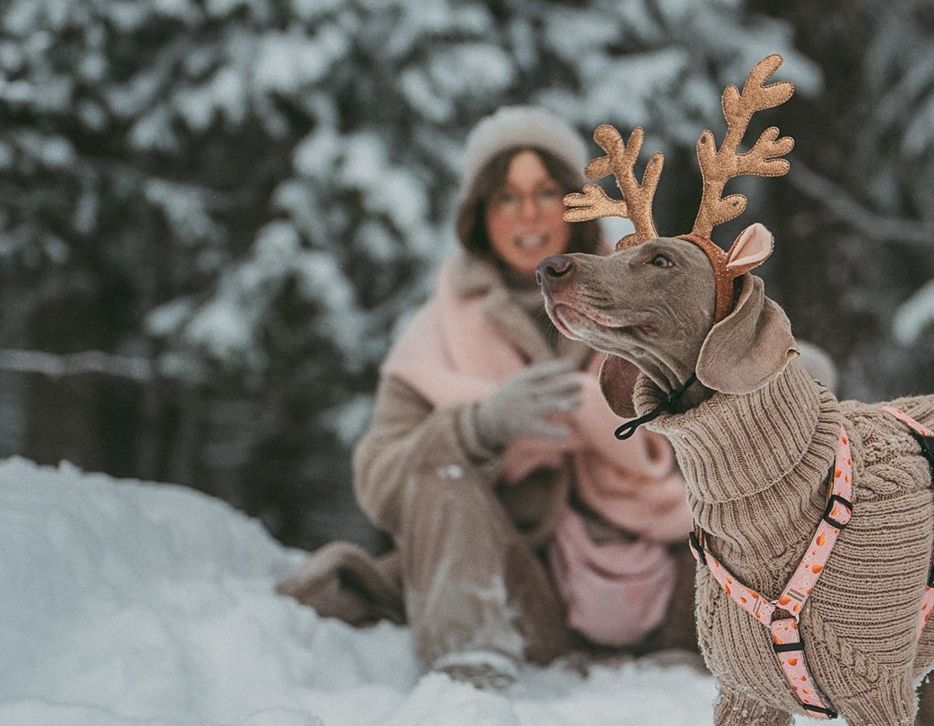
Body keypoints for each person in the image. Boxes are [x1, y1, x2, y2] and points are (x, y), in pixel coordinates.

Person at [279, 107, 698, 683]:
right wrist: (476, 429)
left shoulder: (654, 294)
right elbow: (381, 481)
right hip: (526, 597)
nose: (527, 214)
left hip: (673, 591)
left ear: (575, 203)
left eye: (546, 192)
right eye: (505, 197)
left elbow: (726, 426)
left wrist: (614, 430)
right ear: (479, 217)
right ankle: (471, 664)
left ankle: (766, 644)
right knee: (441, 463)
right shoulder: (434, 332)